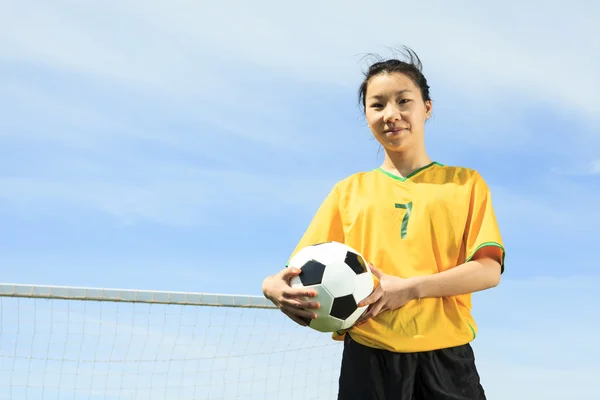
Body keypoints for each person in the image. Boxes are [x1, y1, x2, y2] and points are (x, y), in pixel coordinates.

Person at [261, 47, 505, 400]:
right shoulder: (348, 192)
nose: (392, 114)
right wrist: (271, 286)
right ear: (367, 115)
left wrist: (410, 288)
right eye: (378, 105)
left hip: (447, 355)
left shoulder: (465, 184)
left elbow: (488, 270)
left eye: (404, 101)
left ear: (427, 108)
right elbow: (298, 270)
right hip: (369, 354)